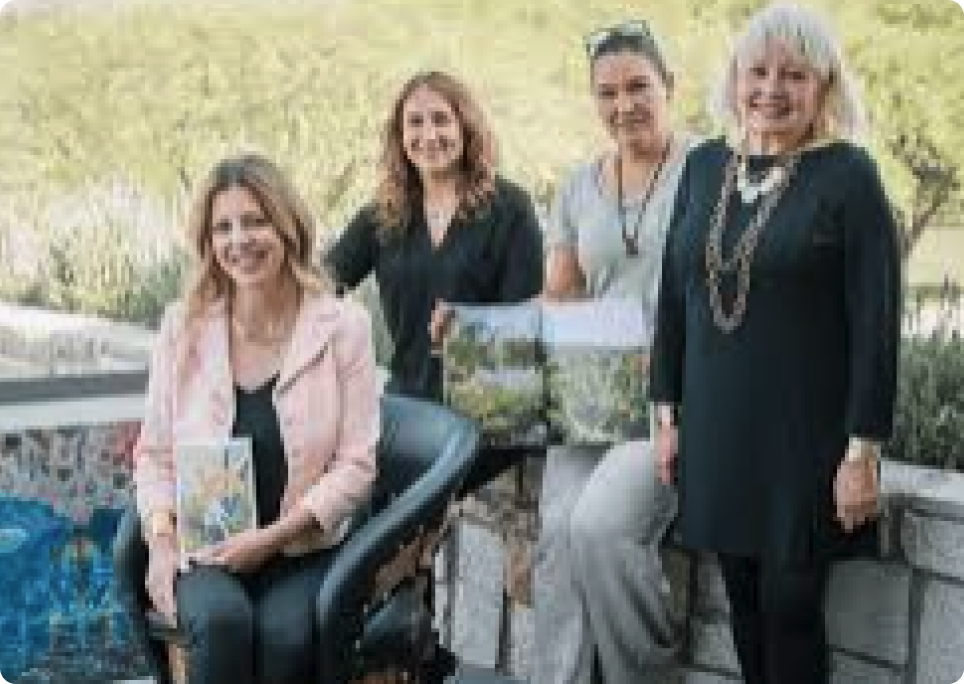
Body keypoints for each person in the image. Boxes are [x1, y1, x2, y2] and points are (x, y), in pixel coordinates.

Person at [649, 4, 901, 684]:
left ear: (825, 86)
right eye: (757, 72)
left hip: (805, 440)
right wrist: (667, 414)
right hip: (719, 430)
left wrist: (863, 453)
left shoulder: (849, 176)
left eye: (794, 75)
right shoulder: (703, 166)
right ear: (734, 79)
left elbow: (877, 324)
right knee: (741, 597)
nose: (771, 89)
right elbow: (673, 297)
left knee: (790, 604)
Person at [325, 69, 544, 678]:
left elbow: (530, 319)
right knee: (358, 484)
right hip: (412, 403)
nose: (429, 135)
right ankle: (407, 639)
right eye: (415, 123)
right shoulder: (385, 216)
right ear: (399, 136)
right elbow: (322, 284)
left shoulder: (510, 208)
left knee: (408, 497)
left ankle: (395, 621)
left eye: (441, 119)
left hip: (489, 412)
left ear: (466, 126)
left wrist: (471, 325)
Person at [133, 153, 379, 684]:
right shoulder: (182, 328)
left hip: (303, 549)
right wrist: (161, 540)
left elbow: (357, 466)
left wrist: (271, 539)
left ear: (287, 227)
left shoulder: (345, 327)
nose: (239, 240)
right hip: (205, 549)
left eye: (255, 221)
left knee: (284, 637)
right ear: (207, 242)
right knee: (221, 623)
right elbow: (153, 455)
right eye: (222, 227)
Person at [535, 19, 694, 684]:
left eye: (638, 87)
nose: (623, 105)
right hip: (593, 392)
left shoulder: (707, 169)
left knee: (601, 527)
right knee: (556, 535)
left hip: (675, 396)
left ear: (668, 87)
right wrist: (477, 329)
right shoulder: (578, 188)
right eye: (607, 93)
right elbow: (559, 296)